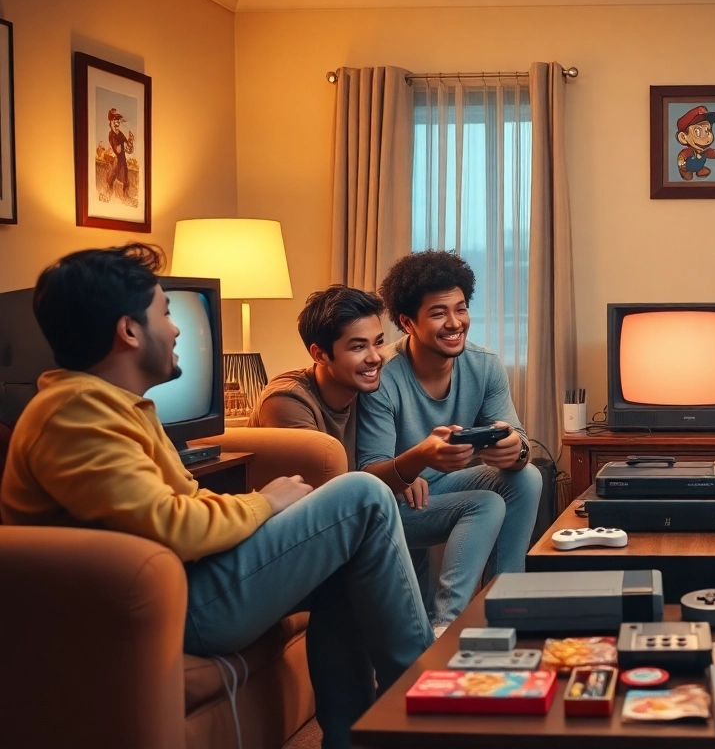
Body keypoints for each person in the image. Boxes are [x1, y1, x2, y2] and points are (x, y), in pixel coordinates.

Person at [0, 244, 429, 749]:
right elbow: (171, 523)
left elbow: (179, 504)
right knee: (362, 493)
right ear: (129, 331)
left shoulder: (113, 406)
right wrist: (265, 503)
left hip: (190, 583)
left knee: (347, 559)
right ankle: (431, 708)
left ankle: (353, 739)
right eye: (165, 312)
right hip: (173, 603)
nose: (177, 328)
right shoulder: (73, 416)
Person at [251, 285, 505, 629]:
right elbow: (334, 504)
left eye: (378, 342)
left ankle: (455, 625)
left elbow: (376, 467)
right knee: (477, 505)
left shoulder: (366, 388)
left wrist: (405, 472)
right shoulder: (287, 402)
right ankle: (444, 626)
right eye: (358, 347)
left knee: (503, 486)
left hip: (367, 513)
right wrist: (409, 466)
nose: (374, 357)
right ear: (320, 354)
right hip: (301, 541)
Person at [356, 250, 541, 604]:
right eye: (439, 313)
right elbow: (370, 475)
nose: (455, 323)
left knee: (528, 476)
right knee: (486, 503)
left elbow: (522, 442)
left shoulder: (484, 365)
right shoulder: (383, 375)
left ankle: (506, 603)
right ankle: (448, 622)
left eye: (460, 308)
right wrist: (412, 466)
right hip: (398, 499)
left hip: (448, 486)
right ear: (408, 323)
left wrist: (514, 450)